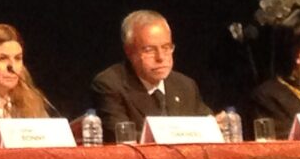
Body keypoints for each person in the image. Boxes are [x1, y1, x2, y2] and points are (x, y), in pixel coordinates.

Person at [90, 10, 212, 141]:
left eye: (166, 47)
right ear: (129, 51)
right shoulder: (110, 85)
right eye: (149, 50)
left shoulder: (185, 85)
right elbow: (121, 136)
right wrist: (179, 135)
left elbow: (206, 124)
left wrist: (215, 126)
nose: (161, 57)